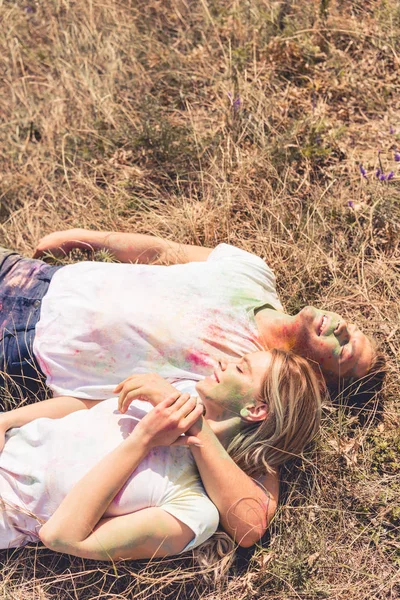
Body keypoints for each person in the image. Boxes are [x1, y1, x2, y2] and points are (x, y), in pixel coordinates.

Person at [0, 229, 385, 546]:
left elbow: (251, 518)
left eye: (347, 351)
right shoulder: (254, 274)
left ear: (321, 379)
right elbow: (165, 251)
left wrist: (195, 431)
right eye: (356, 328)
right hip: (35, 278)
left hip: (20, 350)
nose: (345, 328)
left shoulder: (238, 384)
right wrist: (88, 238)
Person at [0, 349, 321, 558]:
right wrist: (6, 421)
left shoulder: (195, 511)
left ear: (255, 409)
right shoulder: (179, 390)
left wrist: (143, 439)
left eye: (241, 367)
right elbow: (87, 406)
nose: (223, 361)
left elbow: (60, 537)